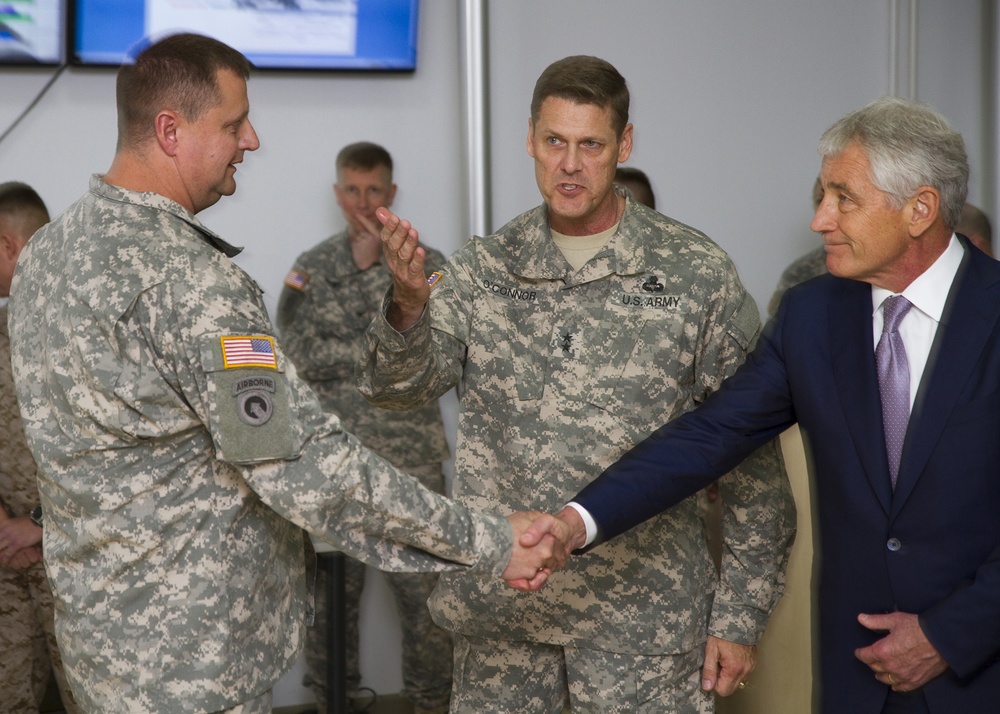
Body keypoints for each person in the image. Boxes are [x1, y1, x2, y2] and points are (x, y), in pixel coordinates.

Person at [5, 33, 568, 714]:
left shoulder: (44, 257)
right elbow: (300, 463)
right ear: (169, 130)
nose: (253, 140)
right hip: (193, 667)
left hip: (102, 648)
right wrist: (489, 540)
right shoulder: (196, 285)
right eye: (234, 123)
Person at [359, 55, 794, 713]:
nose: (569, 164)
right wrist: (408, 303)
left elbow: (750, 458)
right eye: (554, 142)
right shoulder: (484, 268)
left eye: (590, 144)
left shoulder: (693, 273)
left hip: (641, 629)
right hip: (503, 623)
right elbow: (399, 387)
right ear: (531, 139)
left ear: (624, 144)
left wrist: (739, 614)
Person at [548, 96, 1000, 713]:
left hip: (979, 670)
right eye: (822, 195)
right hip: (858, 674)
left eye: (844, 198)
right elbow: (710, 434)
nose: (819, 220)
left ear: (919, 208)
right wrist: (578, 520)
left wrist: (950, 634)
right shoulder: (813, 315)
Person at [276, 142, 454, 714]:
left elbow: (441, 354)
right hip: (334, 462)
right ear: (337, 194)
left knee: (428, 602)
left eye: (373, 190)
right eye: (351, 190)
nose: (361, 201)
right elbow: (294, 354)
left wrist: (355, 351)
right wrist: (383, 346)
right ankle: (335, 703)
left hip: (411, 464)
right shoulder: (313, 266)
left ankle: (433, 703)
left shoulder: (427, 266)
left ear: (391, 195)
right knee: (330, 600)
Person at [0, 182, 81, 714]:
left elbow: (111, 455)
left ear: (7, 245)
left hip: (75, 559)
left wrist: (38, 525)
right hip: (6, 557)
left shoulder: (80, 325)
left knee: (89, 697)